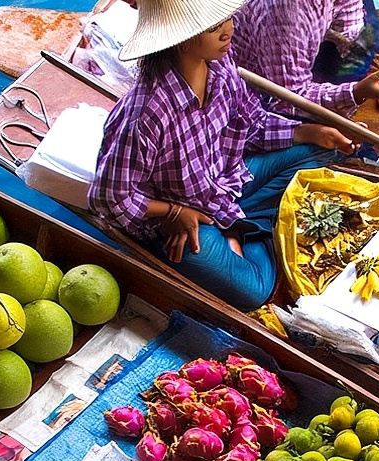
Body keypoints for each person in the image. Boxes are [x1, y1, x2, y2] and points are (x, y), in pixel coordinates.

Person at [90, 0, 353, 310]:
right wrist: (173, 213)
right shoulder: (146, 113)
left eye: (227, 19)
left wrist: (307, 132)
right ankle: (253, 227)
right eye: (215, 26)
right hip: (183, 222)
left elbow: (252, 123)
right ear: (181, 38)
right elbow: (109, 199)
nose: (228, 30)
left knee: (319, 154)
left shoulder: (221, 67)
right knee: (254, 290)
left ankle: (243, 225)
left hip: (224, 184)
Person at [231, 0, 379, 118]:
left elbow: (350, 21)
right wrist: (356, 92)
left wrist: (358, 49)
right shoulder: (289, 17)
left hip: (302, 65)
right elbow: (288, 99)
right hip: (258, 102)